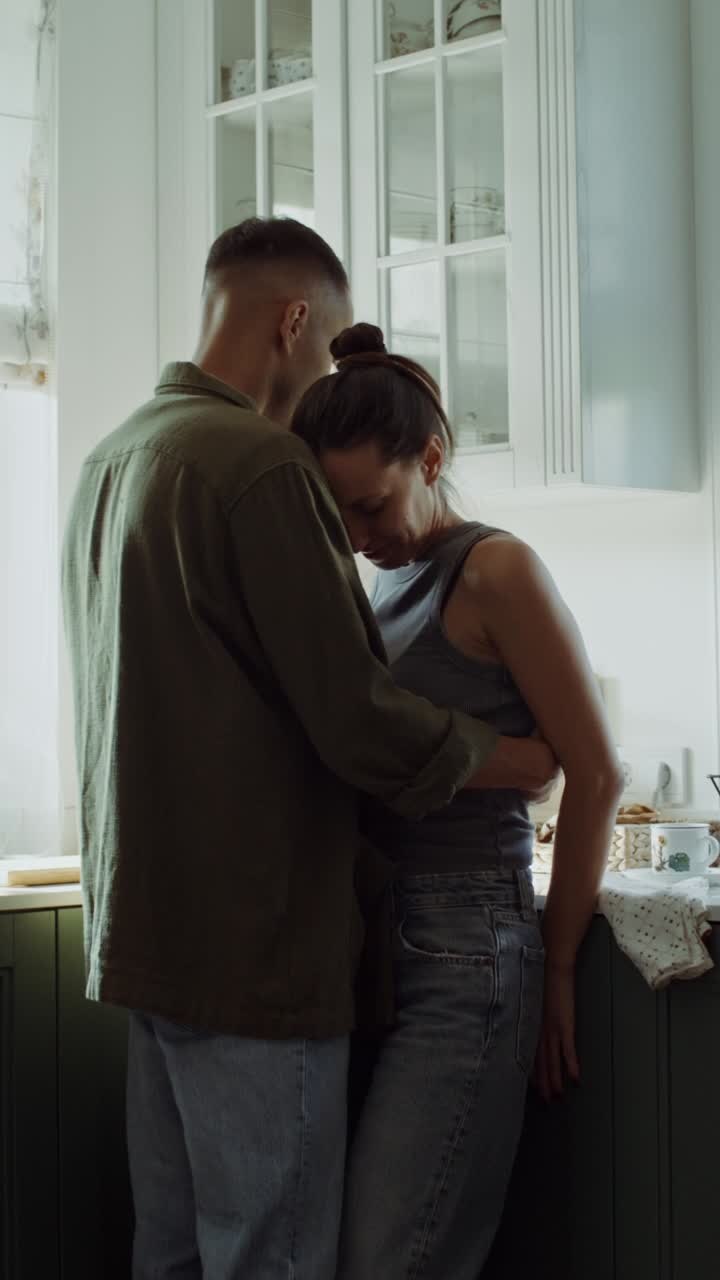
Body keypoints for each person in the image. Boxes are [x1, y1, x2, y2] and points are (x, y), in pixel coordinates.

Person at [61, 220, 556, 1280]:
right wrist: (509, 754)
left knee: (178, 1255)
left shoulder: (114, 458)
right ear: (294, 321)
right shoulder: (257, 464)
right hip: (255, 952)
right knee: (272, 1258)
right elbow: (358, 716)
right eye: (325, 345)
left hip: (146, 941)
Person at [292, 321, 624, 1280]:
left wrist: (557, 969)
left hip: (470, 942)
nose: (360, 537)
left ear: (431, 457)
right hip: (381, 941)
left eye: (372, 505)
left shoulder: (495, 570)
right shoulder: (382, 587)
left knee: (395, 1257)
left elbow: (593, 771)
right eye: (339, 517)